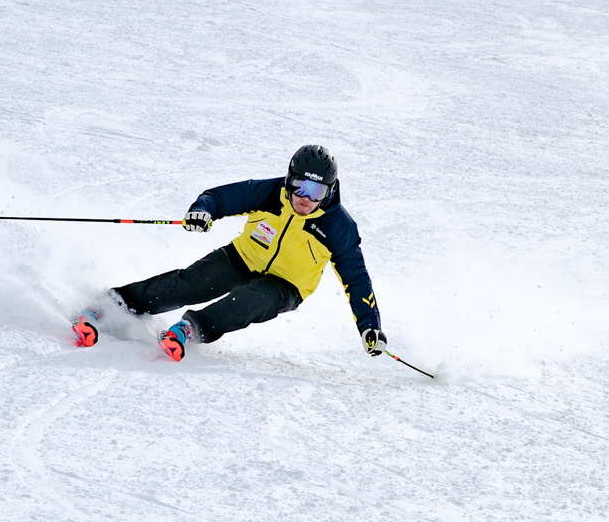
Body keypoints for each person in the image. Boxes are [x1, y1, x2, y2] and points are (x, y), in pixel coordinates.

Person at [72, 145, 387, 362]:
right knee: (190, 284)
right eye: (301, 187)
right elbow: (218, 198)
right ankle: (112, 304)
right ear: (290, 181)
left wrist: (369, 324)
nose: (305, 199)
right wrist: (202, 211)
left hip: (287, 285)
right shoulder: (267, 192)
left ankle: (191, 328)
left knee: (252, 300)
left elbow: (356, 279)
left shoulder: (338, 227)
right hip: (243, 257)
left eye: (316, 192)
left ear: (329, 191)